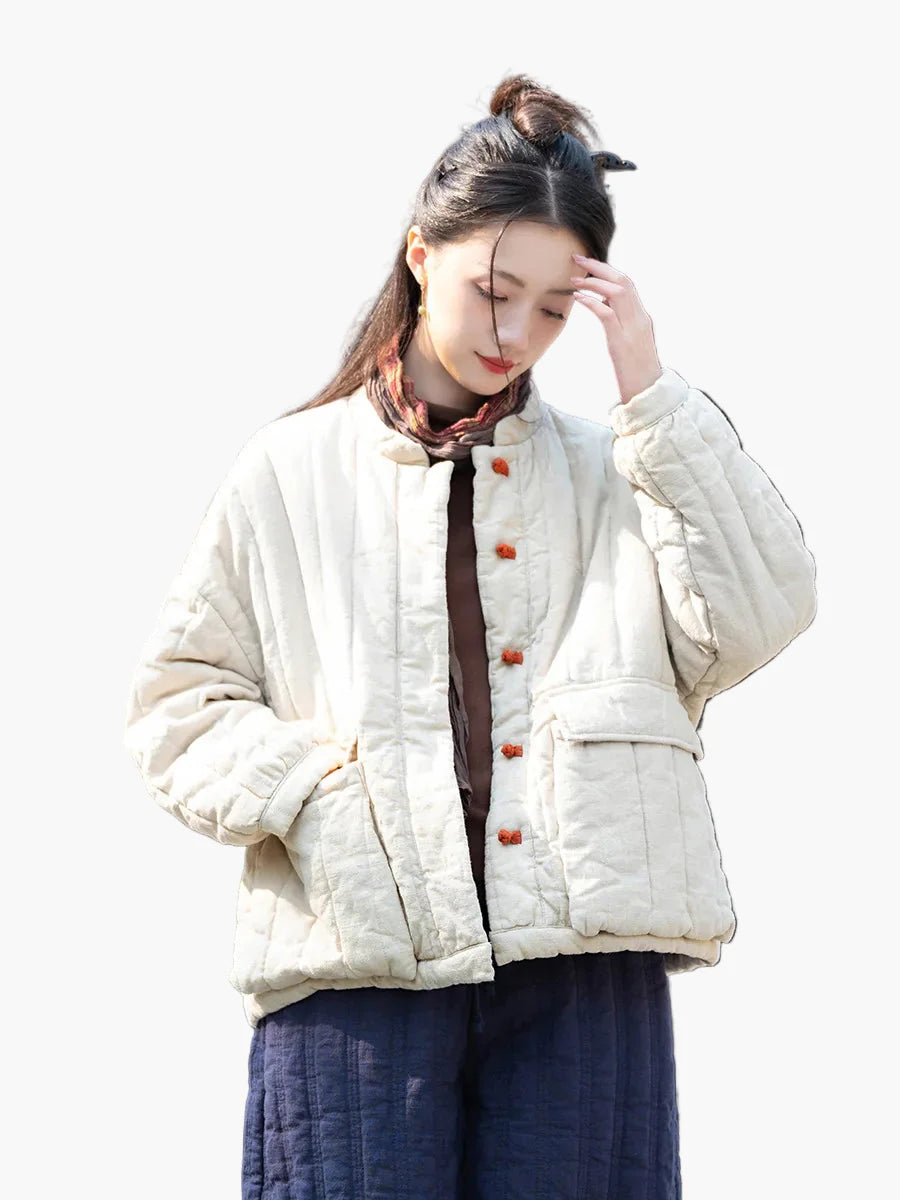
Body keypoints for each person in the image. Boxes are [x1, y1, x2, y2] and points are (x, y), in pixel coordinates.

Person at [122, 73, 817, 1199]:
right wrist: (317, 797)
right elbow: (175, 707)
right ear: (419, 255)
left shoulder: (621, 468)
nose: (516, 334)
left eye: (552, 310)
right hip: (356, 966)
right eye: (494, 291)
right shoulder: (289, 471)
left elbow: (762, 609)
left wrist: (648, 389)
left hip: (583, 971)